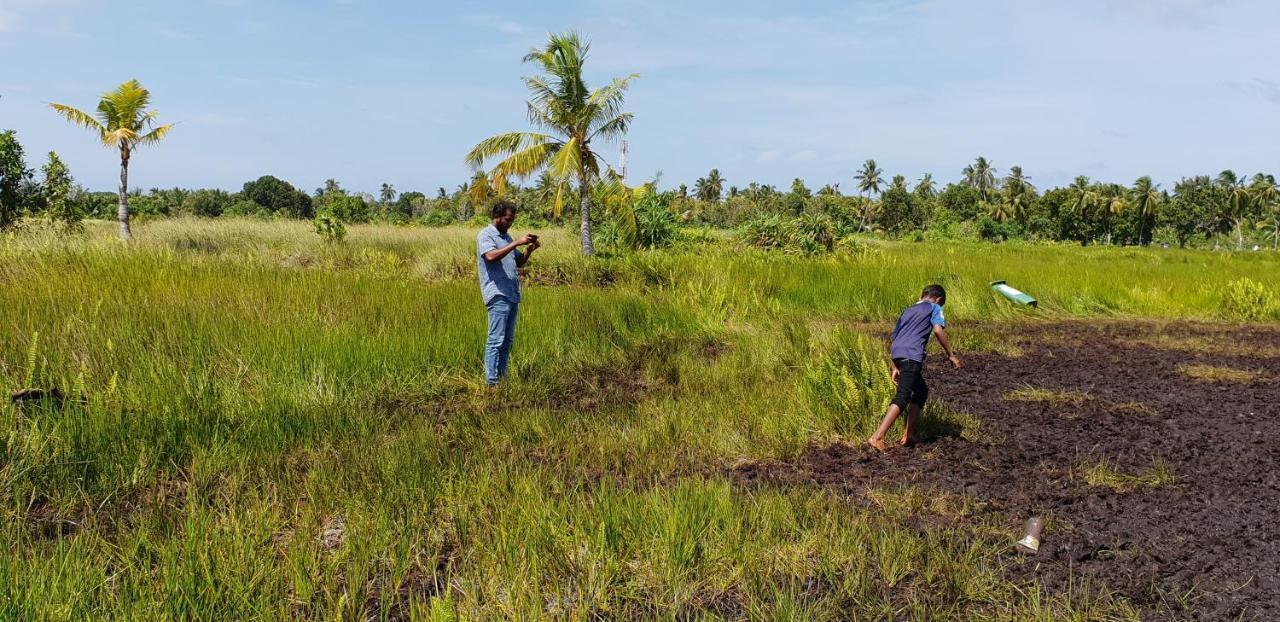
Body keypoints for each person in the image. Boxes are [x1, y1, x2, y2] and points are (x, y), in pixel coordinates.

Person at [867, 284, 962, 451]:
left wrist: (894, 365)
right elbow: (938, 330)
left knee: (920, 391)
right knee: (903, 396)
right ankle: (878, 436)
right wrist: (951, 355)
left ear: (922, 295)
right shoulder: (934, 307)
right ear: (938, 299)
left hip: (898, 354)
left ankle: (908, 434)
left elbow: (895, 337)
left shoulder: (907, 310)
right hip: (912, 355)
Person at [477, 200, 539, 388]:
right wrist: (516, 243)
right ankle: (492, 383)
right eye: (507, 219)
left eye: (512, 220)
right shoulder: (485, 235)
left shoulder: (507, 237)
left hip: (512, 294)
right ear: (497, 217)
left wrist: (528, 249)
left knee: (507, 340)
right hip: (497, 293)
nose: (510, 223)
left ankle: (501, 380)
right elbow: (490, 256)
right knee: (495, 340)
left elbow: (519, 262)